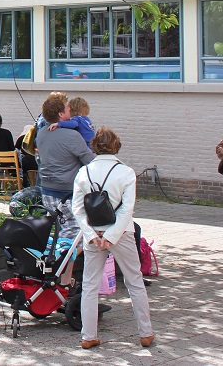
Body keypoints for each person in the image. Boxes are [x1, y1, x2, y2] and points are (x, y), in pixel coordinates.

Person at [71, 127, 153, 350]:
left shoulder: (84, 172)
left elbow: (76, 208)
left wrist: (91, 235)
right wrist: (112, 235)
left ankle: (88, 335)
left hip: (94, 234)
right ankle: (145, 333)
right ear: (116, 145)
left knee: (89, 285)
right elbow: (127, 209)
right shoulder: (126, 172)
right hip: (121, 233)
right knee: (134, 281)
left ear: (94, 146)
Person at [37, 93, 94, 243]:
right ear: (61, 114)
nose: (72, 112)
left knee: (61, 230)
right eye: (68, 109)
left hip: (47, 190)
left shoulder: (42, 133)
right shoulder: (72, 136)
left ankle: (56, 261)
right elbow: (89, 161)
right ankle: (61, 265)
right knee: (75, 235)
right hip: (66, 192)